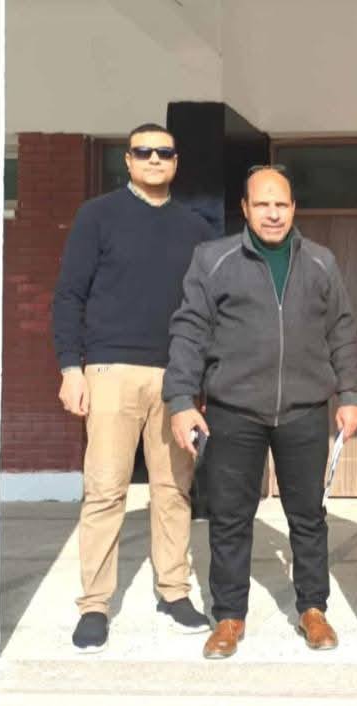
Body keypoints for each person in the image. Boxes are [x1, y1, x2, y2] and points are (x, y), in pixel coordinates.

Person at [162, 165, 357, 659]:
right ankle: (229, 616)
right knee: (231, 518)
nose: (272, 214)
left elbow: (342, 330)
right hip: (234, 410)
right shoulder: (214, 259)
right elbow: (189, 331)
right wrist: (181, 401)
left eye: (281, 204)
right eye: (262, 204)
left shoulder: (320, 262)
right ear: (245, 209)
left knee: (308, 516)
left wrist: (351, 394)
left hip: (303, 410)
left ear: (293, 208)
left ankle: (312, 608)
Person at [52, 122, 214, 653]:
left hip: (175, 377)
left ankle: (174, 591)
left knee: (174, 490)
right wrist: (70, 368)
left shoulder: (194, 228)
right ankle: (95, 604)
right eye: (143, 151)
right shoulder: (96, 215)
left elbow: (206, 311)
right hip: (109, 371)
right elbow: (69, 295)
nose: (154, 159)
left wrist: (199, 381)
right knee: (105, 490)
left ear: (176, 161)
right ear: (128, 160)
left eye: (164, 152)